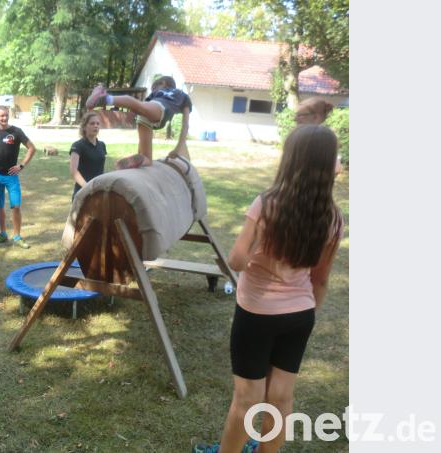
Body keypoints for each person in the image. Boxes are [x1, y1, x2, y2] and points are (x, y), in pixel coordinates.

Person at [196, 125, 344, 453]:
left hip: (257, 314)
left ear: (291, 160)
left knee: (247, 399)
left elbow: (235, 260)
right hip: (300, 314)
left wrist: (257, 242)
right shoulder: (333, 217)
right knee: (281, 398)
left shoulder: (267, 204)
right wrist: (305, 313)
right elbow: (320, 279)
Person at [85, 76, 191, 169]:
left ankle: (141, 156)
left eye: (154, 88)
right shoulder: (183, 96)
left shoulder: (159, 94)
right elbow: (185, 124)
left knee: (146, 156)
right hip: (159, 112)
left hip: (147, 116)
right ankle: (104, 98)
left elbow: (138, 107)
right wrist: (178, 147)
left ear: (163, 83)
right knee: (138, 106)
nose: (153, 91)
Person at [0, 105, 36, 249]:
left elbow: (32, 148)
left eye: (6, 115)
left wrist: (21, 165)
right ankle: (3, 234)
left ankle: (17, 236)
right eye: (1, 116)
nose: (4, 118)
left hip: (12, 176)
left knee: (16, 206)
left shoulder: (16, 132)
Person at [294, 97, 342, 175]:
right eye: (296, 114)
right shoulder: (301, 136)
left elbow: (336, 168)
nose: (295, 118)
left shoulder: (326, 139)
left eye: (300, 115)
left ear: (316, 117)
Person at [69, 112, 107, 198]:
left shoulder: (102, 145)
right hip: (82, 191)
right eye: (92, 123)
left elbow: (101, 169)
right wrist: (88, 188)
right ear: (84, 127)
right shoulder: (77, 146)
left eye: (98, 123)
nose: (96, 126)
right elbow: (73, 171)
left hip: (98, 190)